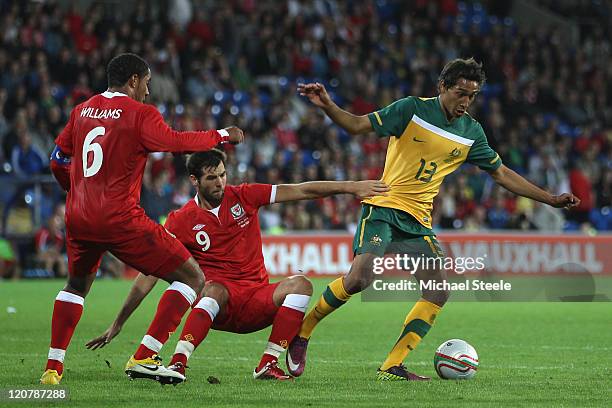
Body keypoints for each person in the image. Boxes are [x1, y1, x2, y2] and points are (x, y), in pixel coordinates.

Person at [289, 58, 581, 381]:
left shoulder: (471, 132)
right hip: (384, 206)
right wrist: (328, 104)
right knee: (359, 279)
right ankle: (304, 329)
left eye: (472, 96)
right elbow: (357, 126)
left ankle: (392, 365)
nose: (466, 102)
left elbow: (501, 174)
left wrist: (551, 198)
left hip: (418, 220)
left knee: (438, 291)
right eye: (460, 93)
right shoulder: (411, 110)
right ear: (442, 87)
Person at [86, 149, 389, 381]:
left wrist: (352, 187)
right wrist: (119, 322)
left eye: (222, 174)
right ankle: (178, 362)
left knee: (301, 284)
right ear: (194, 181)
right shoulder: (180, 220)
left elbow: (302, 190)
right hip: (218, 306)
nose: (219, 182)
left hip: (258, 302)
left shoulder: (245, 196)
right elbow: (149, 273)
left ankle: (268, 363)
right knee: (212, 287)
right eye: (211, 178)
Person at [41, 53, 245, 385]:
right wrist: (221, 135)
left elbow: (57, 158)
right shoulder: (139, 114)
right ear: (134, 80)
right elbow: (175, 143)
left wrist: (74, 189)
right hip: (120, 219)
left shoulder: (82, 110)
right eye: (147, 83)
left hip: (78, 216)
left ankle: (53, 368)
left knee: (76, 286)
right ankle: (145, 355)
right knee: (193, 277)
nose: (148, 92)